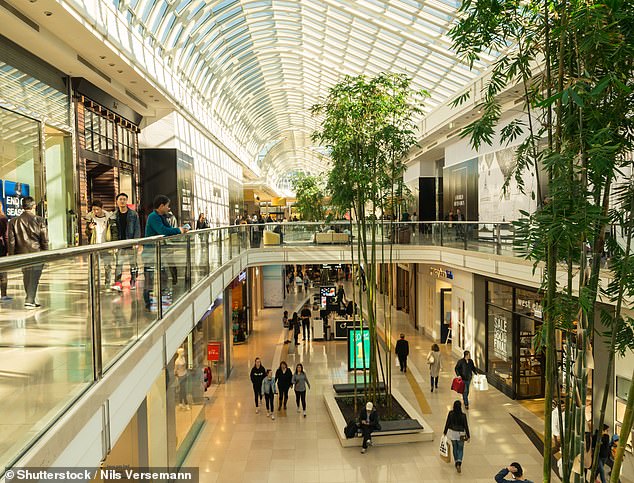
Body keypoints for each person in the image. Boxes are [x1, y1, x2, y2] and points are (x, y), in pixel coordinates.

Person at [143, 195, 188, 310]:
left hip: (159, 252)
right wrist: (178, 230)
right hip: (150, 253)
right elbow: (163, 230)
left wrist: (179, 230)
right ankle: (149, 304)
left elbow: (169, 230)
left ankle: (163, 302)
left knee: (163, 277)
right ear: (161, 206)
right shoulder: (153, 217)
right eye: (167, 206)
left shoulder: (161, 216)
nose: (169, 208)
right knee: (150, 279)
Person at [7, 196, 48, 308]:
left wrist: (11, 255)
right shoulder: (40, 220)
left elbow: (11, 241)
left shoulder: (14, 221)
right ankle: (29, 300)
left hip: (22, 253)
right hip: (36, 252)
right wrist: (46, 254)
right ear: (34, 206)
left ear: (22, 206)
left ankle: (31, 298)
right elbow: (44, 240)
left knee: (27, 275)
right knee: (35, 276)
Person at [109, 193, 141, 291]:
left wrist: (136, 241)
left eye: (124, 199)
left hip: (131, 242)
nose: (122, 201)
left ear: (127, 201)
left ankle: (133, 280)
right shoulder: (113, 216)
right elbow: (112, 231)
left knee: (133, 263)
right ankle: (118, 282)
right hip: (119, 243)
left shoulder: (133, 214)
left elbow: (137, 228)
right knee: (118, 264)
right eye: (120, 199)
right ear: (117, 201)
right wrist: (113, 244)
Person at [85, 200, 113, 286]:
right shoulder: (90, 219)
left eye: (97, 209)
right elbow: (87, 233)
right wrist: (90, 229)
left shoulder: (109, 218)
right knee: (93, 266)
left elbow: (113, 231)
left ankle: (107, 283)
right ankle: (94, 283)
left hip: (106, 245)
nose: (95, 211)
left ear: (102, 208)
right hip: (95, 245)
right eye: (93, 209)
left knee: (107, 266)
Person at [443, 400, 470, 473]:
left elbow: (447, 422)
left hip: (452, 433)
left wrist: (445, 432)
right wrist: (468, 435)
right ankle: (459, 462)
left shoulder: (451, 413)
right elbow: (466, 426)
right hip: (461, 434)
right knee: (460, 449)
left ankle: (456, 462)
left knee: (455, 447)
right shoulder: (463, 415)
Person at [0, 202, 11, 302]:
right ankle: (3, 295)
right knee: (3, 272)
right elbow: (6, 236)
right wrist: (8, 249)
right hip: (1, 247)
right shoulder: (3, 218)